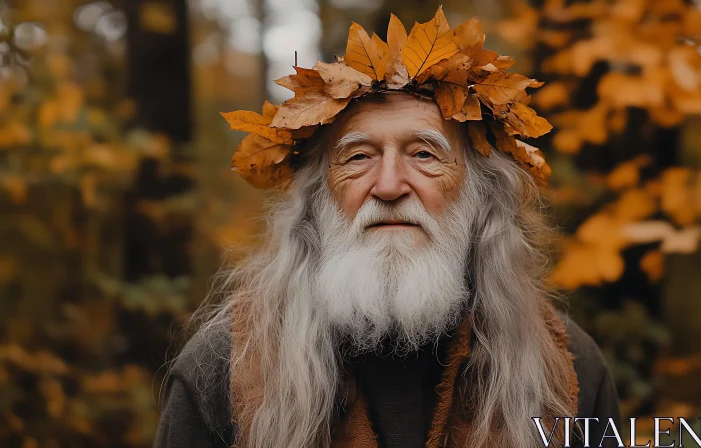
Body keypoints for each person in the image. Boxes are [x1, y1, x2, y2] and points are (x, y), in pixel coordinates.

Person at [155, 9, 620, 448]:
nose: (390, 185)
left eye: (424, 154)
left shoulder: (567, 369)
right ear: (318, 198)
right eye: (358, 157)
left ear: (480, 194)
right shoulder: (225, 366)